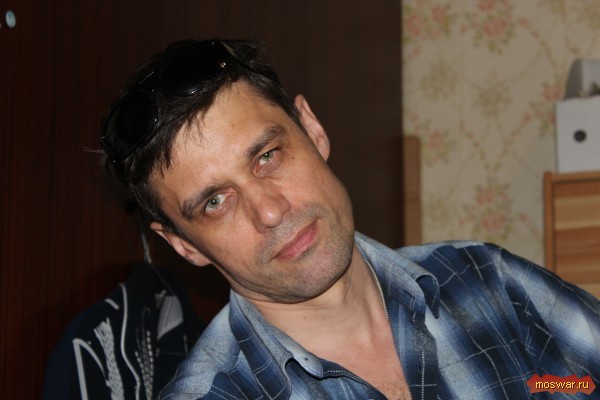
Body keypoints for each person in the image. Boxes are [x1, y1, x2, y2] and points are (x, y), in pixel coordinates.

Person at [100, 39, 600, 400]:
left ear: (312, 129)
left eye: (267, 156)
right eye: (215, 202)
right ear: (183, 245)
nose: (269, 211)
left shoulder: (487, 282)